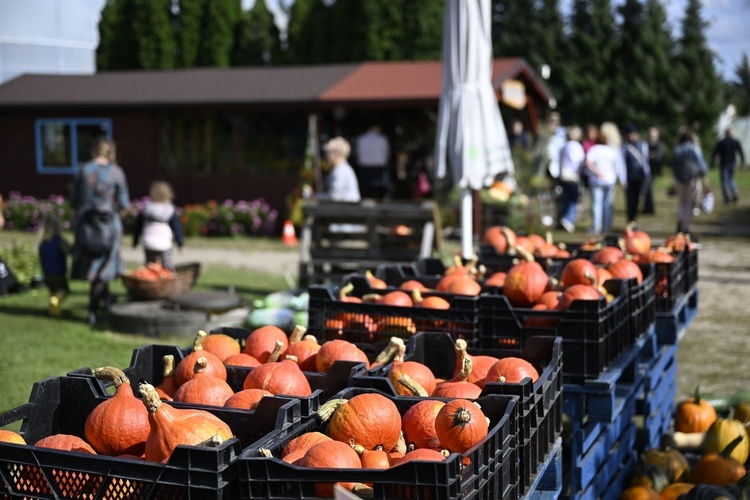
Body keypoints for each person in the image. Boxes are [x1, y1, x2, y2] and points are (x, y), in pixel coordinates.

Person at [70, 138, 130, 327]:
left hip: (86, 223)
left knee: (93, 266)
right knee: (104, 269)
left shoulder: (83, 170)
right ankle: (93, 311)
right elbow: (124, 204)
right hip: (109, 225)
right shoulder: (116, 172)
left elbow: (73, 201)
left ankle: (105, 301)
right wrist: (114, 216)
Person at [132, 181, 185, 270]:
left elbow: (138, 227)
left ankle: (150, 282)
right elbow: (177, 229)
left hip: (148, 242)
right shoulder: (169, 210)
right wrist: (181, 245)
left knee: (150, 267)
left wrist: (135, 242)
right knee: (167, 268)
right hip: (164, 244)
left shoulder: (146, 209)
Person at [584, 124, 624, 235]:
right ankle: (606, 226)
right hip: (610, 180)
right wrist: (617, 177)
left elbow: (588, 162)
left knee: (597, 204)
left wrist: (597, 172)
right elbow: (617, 166)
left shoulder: (594, 149)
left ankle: (596, 227)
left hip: (597, 180)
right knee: (608, 204)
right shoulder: (611, 151)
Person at [672, 130, 709, 234]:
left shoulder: (677, 149)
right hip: (691, 179)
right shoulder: (694, 148)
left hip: (679, 179)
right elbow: (701, 164)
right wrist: (704, 176)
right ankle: (687, 226)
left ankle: (680, 221)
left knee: (682, 202)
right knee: (690, 203)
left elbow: (673, 166)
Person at [38, 213, 70, 317]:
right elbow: (69, 251)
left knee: (53, 291)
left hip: (47, 274)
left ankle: (54, 312)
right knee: (64, 291)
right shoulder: (60, 241)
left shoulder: (42, 243)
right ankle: (55, 302)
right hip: (59, 273)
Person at [557, 125, 585, 233]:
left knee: (566, 198)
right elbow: (578, 161)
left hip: (563, 175)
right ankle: (568, 220)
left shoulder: (564, 146)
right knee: (572, 199)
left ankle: (564, 218)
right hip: (572, 175)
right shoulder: (576, 146)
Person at [622, 123, 651, 223]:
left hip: (640, 177)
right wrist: (623, 179)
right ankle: (630, 219)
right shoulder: (625, 146)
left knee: (638, 199)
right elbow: (622, 164)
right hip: (629, 178)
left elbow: (645, 162)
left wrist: (647, 175)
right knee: (630, 200)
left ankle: (634, 219)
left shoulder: (643, 145)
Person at [317, 137, 361, 202]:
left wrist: (316, 196)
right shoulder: (341, 169)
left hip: (347, 210)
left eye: (328, 153)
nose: (326, 156)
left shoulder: (341, 171)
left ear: (336, 154)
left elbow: (334, 197)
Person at [712, 127, 746, 204]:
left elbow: (715, 153)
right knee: (731, 179)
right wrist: (742, 162)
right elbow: (741, 152)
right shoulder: (735, 142)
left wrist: (712, 163)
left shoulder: (721, 142)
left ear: (725, 133)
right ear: (731, 133)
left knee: (724, 180)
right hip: (733, 163)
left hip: (724, 163)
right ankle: (735, 192)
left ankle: (726, 197)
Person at [355, 125, 390, 200]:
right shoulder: (382, 139)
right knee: (380, 191)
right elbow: (386, 154)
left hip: (365, 167)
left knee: (366, 192)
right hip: (379, 168)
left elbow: (358, 155)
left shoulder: (361, 139)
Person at [644, 126, 664, 214]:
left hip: (654, 171)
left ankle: (649, 209)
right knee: (646, 189)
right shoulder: (647, 144)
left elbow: (658, 157)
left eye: (654, 132)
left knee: (648, 188)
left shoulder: (659, 145)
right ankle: (647, 207)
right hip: (647, 170)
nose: (651, 134)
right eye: (650, 132)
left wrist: (651, 156)